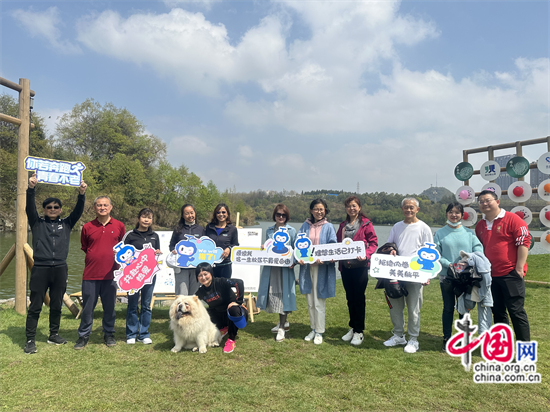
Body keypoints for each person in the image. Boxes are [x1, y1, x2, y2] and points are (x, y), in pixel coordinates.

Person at [24, 173, 87, 354]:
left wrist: (81, 194)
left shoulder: (66, 224)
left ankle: (53, 335)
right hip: (40, 268)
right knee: (35, 305)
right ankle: (30, 340)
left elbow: (78, 211)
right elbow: (29, 208)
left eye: (56, 207)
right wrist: (31, 189)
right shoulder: (37, 222)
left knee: (57, 304)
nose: (52, 209)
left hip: (60, 268)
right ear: (44, 209)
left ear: (60, 209)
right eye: (49, 207)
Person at [474, 190, 531, 342]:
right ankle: (503, 345)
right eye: (481, 201)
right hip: (490, 275)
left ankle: (524, 348)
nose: (484, 204)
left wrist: (519, 268)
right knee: (498, 312)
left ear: (497, 201)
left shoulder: (513, 219)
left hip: (510, 273)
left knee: (516, 312)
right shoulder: (480, 225)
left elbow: (524, 243)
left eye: (488, 200)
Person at [74, 196, 126, 349]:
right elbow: (85, 247)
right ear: (94, 208)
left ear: (111, 207)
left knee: (109, 307)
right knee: (88, 308)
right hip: (91, 274)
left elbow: (123, 247)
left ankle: (109, 334)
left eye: (105, 205)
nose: (102, 208)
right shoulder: (87, 227)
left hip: (111, 274)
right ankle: (83, 336)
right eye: (99, 205)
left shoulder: (119, 225)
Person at [383, 197, 433, 354]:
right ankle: (398, 335)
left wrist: (427, 274)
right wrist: (391, 250)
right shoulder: (397, 226)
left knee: (414, 308)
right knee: (395, 307)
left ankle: (413, 338)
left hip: (415, 274)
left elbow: (430, 252)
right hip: (397, 272)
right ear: (402, 209)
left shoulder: (424, 228)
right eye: (406, 207)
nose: (409, 210)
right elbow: (389, 245)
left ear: (417, 209)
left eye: (412, 207)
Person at [434, 202, 484, 350]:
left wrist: (467, 261)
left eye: (457, 212)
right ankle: (446, 338)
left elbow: (478, 250)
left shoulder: (469, 233)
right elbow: (436, 254)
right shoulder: (439, 233)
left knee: (464, 308)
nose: (454, 215)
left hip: (466, 277)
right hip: (447, 277)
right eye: (451, 212)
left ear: (462, 215)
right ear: (446, 214)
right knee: (448, 308)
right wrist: (450, 264)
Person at [336, 196, 378, 346]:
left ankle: (359, 331)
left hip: (360, 267)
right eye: (348, 206)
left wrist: (366, 254)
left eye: (354, 206)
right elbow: (337, 244)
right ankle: (353, 327)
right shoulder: (342, 225)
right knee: (350, 298)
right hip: (345, 268)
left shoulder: (366, 224)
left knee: (359, 298)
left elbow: (373, 243)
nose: (351, 208)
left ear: (359, 207)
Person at [297, 198, 337, 345]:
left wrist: (324, 259)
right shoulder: (304, 226)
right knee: (310, 301)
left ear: (325, 211)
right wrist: (299, 258)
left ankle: (319, 331)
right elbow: (297, 244)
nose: (319, 212)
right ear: (311, 210)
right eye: (316, 209)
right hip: (307, 268)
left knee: (319, 301)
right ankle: (313, 328)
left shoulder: (329, 227)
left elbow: (333, 247)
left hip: (321, 268)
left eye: (321, 209)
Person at [256, 204, 297, 342]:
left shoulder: (291, 231)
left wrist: (294, 262)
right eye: (278, 214)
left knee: (285, 295)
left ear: (287, 217)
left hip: (285, 269)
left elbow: (296, 250)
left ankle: (281, 327)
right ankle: (283, 323)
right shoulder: (269, 230)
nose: (281, 217)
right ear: (274, 215)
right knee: (273, 294)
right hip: (272, 268)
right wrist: (264, 248)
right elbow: (269, 247)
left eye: (283, 215)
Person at [121, 208, 161, 345]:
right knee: (132, 305)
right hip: (133, 276)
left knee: (146, 305)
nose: (146, 220)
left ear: (152, 220)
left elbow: (156, 253)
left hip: (149, 275)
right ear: (138, 219)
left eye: (149, 218)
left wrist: (157, 253)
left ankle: (143, 334)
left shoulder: (155, 236)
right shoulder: (130, 235)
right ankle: (131, 334)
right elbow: (122, 255)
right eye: (144, 217)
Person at [195, 262, 248, 353]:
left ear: (211, 273)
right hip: (220, 315)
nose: (203, 277)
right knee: (204, 314)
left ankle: (231, 339)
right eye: (200, 275)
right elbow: (192, 302)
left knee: (233, 310)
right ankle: (224, 328)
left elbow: (239, 282)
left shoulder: (220, 282)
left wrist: (238, 301)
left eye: (205, 274)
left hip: (236, 313)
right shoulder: (201, 291)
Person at [169, 204, 204, 295]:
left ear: (195, 213)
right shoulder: (178, 229)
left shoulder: (201, 230)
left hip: (196, 267)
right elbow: (172, 245)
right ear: (182, 215)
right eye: (187, 213)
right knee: (182, 293)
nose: (190, 215)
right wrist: (173, 250)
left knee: (194, 295)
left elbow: (204, 247)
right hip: (181, 267)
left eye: (192, 213)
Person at [205, 203, 239, 278]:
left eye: (223, 212)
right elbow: (204, 242)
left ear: (227, 214)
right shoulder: (209, 227)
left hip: (225, 264)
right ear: (215, 214)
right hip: (210, 264)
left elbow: (236, 244)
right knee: (210, 285)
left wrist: (229, 248)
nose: (221, 214)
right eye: (218, 212)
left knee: (224, 285)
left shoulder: (232, 229)